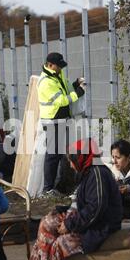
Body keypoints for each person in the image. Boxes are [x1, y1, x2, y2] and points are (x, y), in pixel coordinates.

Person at [29, 139, 123, 260]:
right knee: (46, 224)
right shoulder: (89, 171)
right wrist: (63, 211)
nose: (72, 166)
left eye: (71, 161)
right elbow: (83, 202)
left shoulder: (98, 173)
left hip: (101, 226)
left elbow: (96, 208)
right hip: (90, 221)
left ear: (80, 158)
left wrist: (69, 224)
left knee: (59, 244)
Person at [38, 52, 86, 197]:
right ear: (50, 65)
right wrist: (78, 93)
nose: (60, 68)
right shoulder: (46, 81)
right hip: (53, 121)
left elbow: (65, 90)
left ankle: (57, 186)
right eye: (59, 66)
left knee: (60, 154)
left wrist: (75, 84)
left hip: (61, 120)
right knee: (53, 155)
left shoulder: (56, 75)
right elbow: (61, 101)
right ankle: (48, 189)